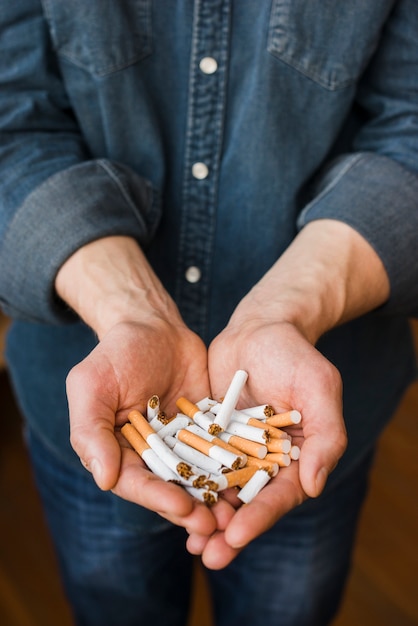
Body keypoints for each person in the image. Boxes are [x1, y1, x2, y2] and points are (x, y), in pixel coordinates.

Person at [0, 1, 417, 625]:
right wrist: (127, 311)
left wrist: (288, 311)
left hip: (318, 413)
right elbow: (10, 119)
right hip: (86, 395)